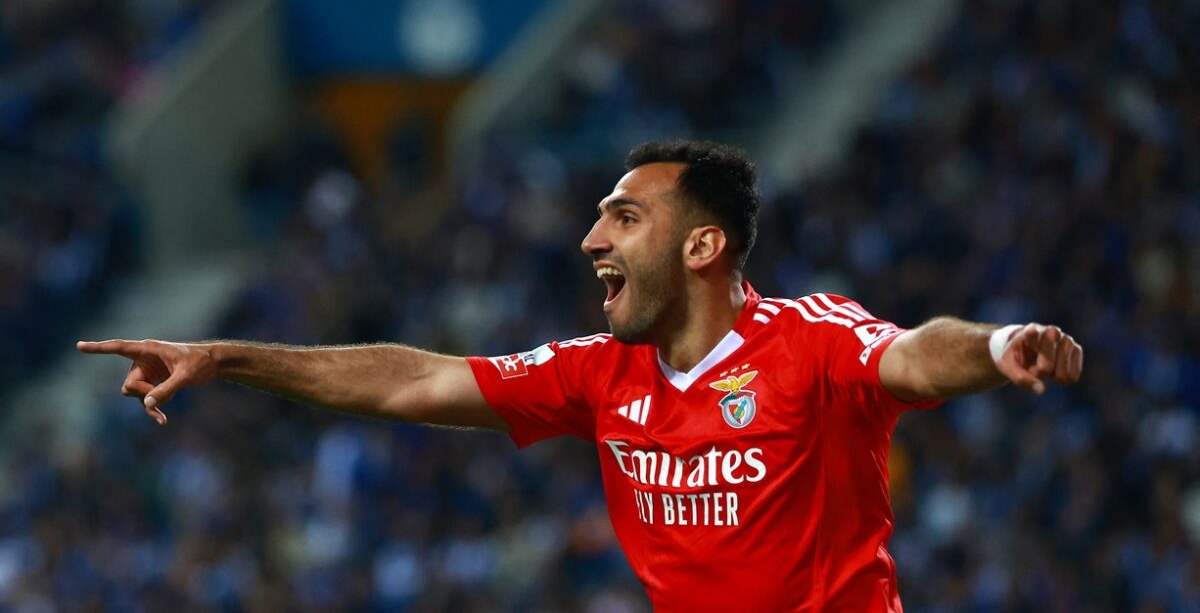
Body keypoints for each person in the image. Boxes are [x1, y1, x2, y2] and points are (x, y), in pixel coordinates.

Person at [78, 140, 1083, 611]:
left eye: (624, 218)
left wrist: (999, 347)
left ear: (703, 247)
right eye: (600, 216)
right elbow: (411, 382)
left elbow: (913, 354)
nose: (592, 239)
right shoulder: (598, 374)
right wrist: (225, 358)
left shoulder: (811, 341)